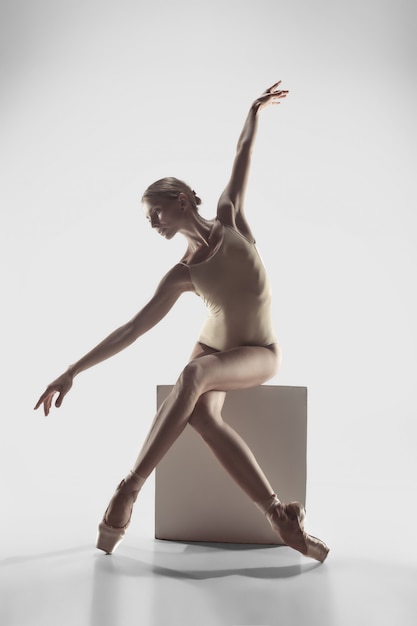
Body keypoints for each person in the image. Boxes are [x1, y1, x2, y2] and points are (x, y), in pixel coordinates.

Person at [35, 81, 329, 562]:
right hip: (211, 348)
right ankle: (279, 517)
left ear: (181, 200)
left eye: (156, 213)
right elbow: (131, 329)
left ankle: (129, 489)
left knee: (191, 378)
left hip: (258, 353)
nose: (153, 224)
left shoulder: (230, 217)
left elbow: (242, 151)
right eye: (149, 219)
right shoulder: (181, 274)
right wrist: (72, 371)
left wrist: (253, 109)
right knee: (203, 417)